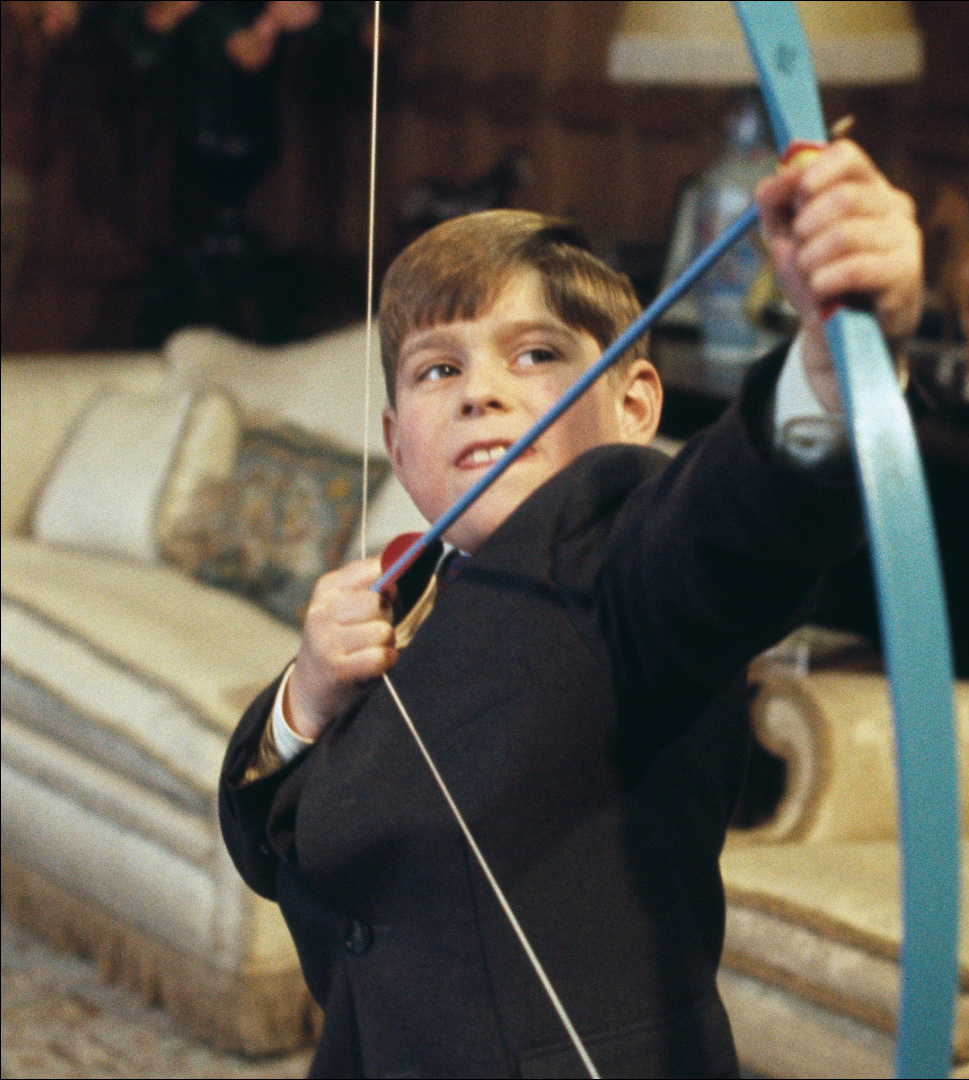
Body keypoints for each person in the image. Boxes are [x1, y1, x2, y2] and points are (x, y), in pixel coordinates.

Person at [220, 140, 922, 1078]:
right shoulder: (405, 587)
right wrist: (305, 702)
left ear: (633, 405)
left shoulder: (619, 547)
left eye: (537, 353)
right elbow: (268, 843)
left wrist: (832, 374)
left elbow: (735, 523)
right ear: (395, 440)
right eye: (437, 370)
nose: (482, 391)